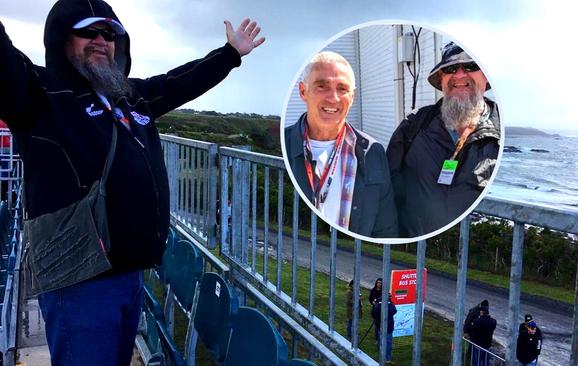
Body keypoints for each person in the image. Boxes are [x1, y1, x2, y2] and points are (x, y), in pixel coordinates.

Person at [0, 0, 264, 364]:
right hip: (81, 282)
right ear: (61, 38)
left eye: (109, 34)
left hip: (129, 274)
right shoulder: (39, 95)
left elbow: (178, 84)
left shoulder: (128, 95)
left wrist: (230, 54)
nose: (100, 40)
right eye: (87, 32)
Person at [386, 42, 500, 237]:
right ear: (441, 79)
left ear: (486, 77)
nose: (460, 75)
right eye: (450, 69)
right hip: (415, 250)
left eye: (471, 66)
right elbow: (386, 191)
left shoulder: (501, 134)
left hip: (467, 252)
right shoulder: (414, 126)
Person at [284, 51, 398, 238]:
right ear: (303, 91)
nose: (333, 98)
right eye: (322, 86)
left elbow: (386, 227)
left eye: (342, 89)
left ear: (352, 97)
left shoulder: (372, 152)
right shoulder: (283, 146)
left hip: (352, 261)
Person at [371, 294, 398, 364]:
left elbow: (373, 314)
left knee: (383, 343)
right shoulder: (389, 306)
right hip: (387, 327)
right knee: (387, 343)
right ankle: (386, 358)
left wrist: (375, 305)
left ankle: (384, 357)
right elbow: (394, 311)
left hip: (383, 327)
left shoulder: (379, 305)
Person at [368, 277, 383, 342]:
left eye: (380, 283)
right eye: (378, 283)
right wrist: (372, 302)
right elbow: (370, 298)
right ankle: (377, 338)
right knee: (376, 325)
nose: (379, 284)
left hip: (382, 309)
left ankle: (381, 338)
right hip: (375, 309)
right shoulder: (373, 290)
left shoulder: (383, 291)